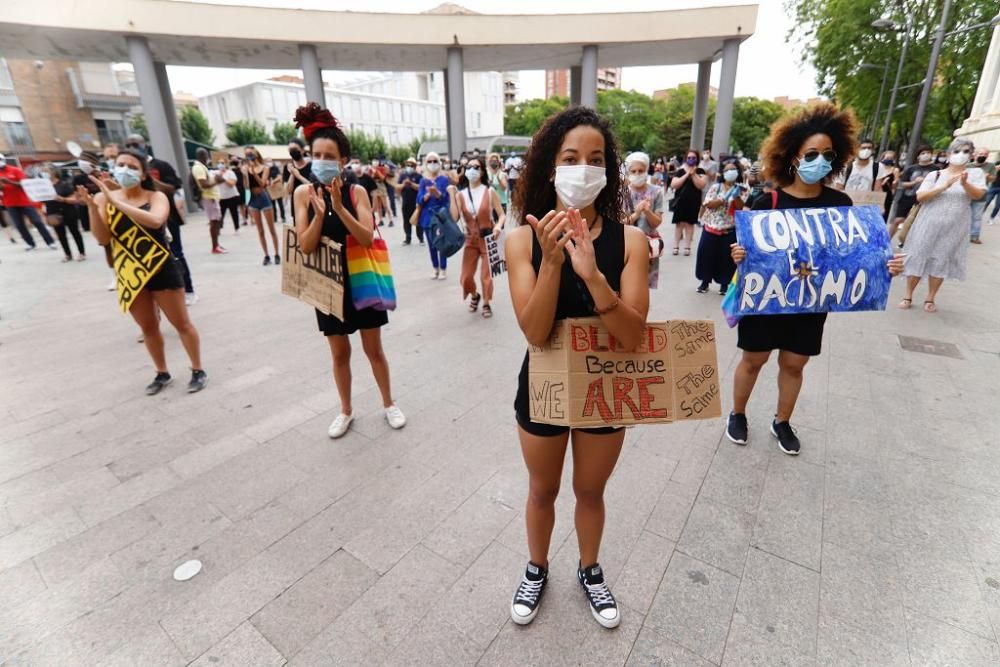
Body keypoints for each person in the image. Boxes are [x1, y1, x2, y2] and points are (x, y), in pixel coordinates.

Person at [505, 106, 649, 630]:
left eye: (595, 159)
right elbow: (534, 330)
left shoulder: (630, 241)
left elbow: (633, 335)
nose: (582, 169)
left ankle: (590, 570)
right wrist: (554, 264)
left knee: (590, 491)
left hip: (606, 387)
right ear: (550, 167)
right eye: (570, 158)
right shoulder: (523, 239)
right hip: (542, 385)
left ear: (608, 172)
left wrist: (592, 275)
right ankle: (535, 566)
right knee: (542, 490)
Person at [725, 103, 904, 455]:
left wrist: (884, 267)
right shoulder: (768, 201)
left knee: (794, 364)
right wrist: (738, 256)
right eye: (811, 153)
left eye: (827, 154)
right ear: (792, 156)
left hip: (810, 304)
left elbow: (855, 255)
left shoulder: (840, 203)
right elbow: (748, 252)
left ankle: (782, 421)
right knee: (753, 360)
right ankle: (738, 414)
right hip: (767, 301)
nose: (818, 160)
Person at [291, 103, 406, 439]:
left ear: (343, 160)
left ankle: (389, 403)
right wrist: (318, 214)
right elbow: (305, 245)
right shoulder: (303, 193)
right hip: (327, 284)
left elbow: (367, 237)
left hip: (362, 280)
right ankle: (345, 410)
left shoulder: (356, 192)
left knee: (374, 349)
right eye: (317, 154)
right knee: (339, 352)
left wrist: (339, 208)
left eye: (330, 156)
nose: (323, 161)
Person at [77, 148, 207, 395]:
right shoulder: (103, 199)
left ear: (144, 172)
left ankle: (198, 369)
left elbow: (156, 221)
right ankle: (161, 372)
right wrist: (93, 207)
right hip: (130, 272)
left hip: (161, 267)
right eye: (120, 164)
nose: (125, 169)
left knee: (182, 323)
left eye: (132, 166)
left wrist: (117, 201)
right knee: (148, 327)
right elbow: (103, 238)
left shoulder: (156, 196)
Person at [900, 138, 986, 312]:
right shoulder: (935, 175)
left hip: (955, 225)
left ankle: (930, 298)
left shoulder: (975, 174)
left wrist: (965, 183)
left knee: (941, 258)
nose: (961, 155)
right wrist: (944, 186)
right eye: (957, 151)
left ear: (971, 155)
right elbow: (921, 196)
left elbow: (979, 196)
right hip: (928, 222)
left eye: (966, 151)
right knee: (918, 255)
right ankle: (908, 295)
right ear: (948, 154)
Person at [124, 134, 197, 306]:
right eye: (129, 145)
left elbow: (173, 187)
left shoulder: (161, 165)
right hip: (140, 220)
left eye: (135, 144)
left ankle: (188, 289)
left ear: (144, 145)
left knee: (176, 254)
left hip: (166, 217)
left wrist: (151, 180)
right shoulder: (126, 170)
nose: (133, 148)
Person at [449, 156, 505, 318]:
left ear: (481, 172)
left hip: (488, 238)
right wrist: (452, 196)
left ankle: (486, 302)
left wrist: (497, 226)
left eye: (476, 167)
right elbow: (454, 218)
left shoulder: (489, 192)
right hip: (470, 240)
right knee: (465, 277)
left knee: (485, 276)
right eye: (469, 167)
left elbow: (501, 215)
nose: (472, 170)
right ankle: (474, 295)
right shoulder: (461, 195)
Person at [696, 158, 746, 294]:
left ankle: (724, 284)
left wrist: (736, 197)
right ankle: (704, 282)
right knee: (706, 255)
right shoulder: (715, 188)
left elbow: (742, 208)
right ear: (722, 173)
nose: (730, 172)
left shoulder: (741, 190)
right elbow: (708, 204)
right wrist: (723, 198)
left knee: (726, 259)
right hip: (711, 228)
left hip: (729, 229)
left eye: (733, 170)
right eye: (727, 170)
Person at [0, 153, 58, 250]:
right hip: (10, 203)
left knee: (37, 221)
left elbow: (25, 184)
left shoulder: (15, 170)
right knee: (19, 225)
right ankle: (30, 244)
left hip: (24, 202)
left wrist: (9, 182)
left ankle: (50, 242)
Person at [623, 151, 664, 288]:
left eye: (641, 170)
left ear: (646, 170)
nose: (637, 174)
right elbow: (621, 222)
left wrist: (647, 211)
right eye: (633, 171)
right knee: (627, 283)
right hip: (627, 243)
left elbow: (657, 222)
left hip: (649, 245)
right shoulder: (624, 192)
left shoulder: (656, 191)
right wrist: (637, 213)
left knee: (644, 285)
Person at [414, 152, 452, 279]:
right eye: (429, 161)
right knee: (431, 245)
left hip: (439, 217)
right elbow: (418, 199)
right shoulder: (423, 181)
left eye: (435, 161)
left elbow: (447, 200)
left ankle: (443, 268)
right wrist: (426, 196)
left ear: (439, 163)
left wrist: (438, 194)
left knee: (441, 243)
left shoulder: (444, 179)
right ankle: (435, 268)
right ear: (425, 164)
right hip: (426, 218)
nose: (432, 164)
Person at [242, 146, 280, 266]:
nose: (249, 156)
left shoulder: (265, 168)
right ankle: (266, 255)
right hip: (253, 200)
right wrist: (246, 175)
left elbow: (263, 184)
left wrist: (254, 173)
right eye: (247, 154)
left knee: (271, 229)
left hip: (264, 198)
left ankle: (276, 254)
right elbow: (246, 187)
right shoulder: (245, 168)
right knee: (260, 231)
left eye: (250, 154)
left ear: (256, 154)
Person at [891, 145, 937, 242]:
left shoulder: (935, 169)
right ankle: (885, 242)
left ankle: (907, 243)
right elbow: (903, 183)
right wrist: (914, 182)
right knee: (897, 220)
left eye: (928, 153)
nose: (926, 155)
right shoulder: (911, 169)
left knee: (916, 223)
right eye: (923, 153)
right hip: (907, 197)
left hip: (924, 199)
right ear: (918, 156)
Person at [669, 149, 707, 256]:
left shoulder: (700, 171)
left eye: (693, 158)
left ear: (697, 159)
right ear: (686, 158)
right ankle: (676, 246)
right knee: (679, 224)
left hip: (693, 201)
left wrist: (694, 174)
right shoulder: (680, 171)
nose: (691, 159)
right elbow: (674, 185)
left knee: (690, 224)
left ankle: (687, 247)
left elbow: (701, 185)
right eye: (689, 157)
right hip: (681, 201)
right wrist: (686, 175)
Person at [46, 168, 86, 261]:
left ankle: (81, 252)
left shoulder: (64, 184)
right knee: (61, 235)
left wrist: (63, 199)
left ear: (54, 173)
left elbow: (75, 199)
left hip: (68, 212)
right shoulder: (45, 186)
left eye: (46, 171)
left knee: (75, 232)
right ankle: (67, 254)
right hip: (53, 213)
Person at [192, 148, 227, 254]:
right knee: (214, 222)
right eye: (207, 155)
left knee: (216, 221)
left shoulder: (202, 167)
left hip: (212, 197)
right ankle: (214, 247)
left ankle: (217, 244)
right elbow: (204, 184)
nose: (208, 158)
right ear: (203, 156)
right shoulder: (198, 168)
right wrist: (216, 181)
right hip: (209, 197)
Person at [283, 137, 313, 225]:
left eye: (295, 149)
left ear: (303, 150)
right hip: (296, 206)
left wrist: (298, 176)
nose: (292, 152)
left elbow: (313, 186)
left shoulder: (311, 166)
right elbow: (289, 191)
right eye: (290, 150)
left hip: (311, 204)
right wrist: (292, 173)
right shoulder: (288, 167)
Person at [969, 147, 994, 244]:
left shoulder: (990, 166)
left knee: (976, 217)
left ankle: (974, 236)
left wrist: (988, 176)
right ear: (975, 154)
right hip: (966, 195)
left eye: (985, 154)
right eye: (981, 153)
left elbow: (993, 179)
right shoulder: (968, 165)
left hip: (981, 196)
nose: (983, 156)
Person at [396, 157, 422, 245]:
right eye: (408, 165)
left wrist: (411, 184)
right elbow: (397, 187)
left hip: (416, 202)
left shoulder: (418, 176)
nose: (409, 166)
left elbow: (420, 187)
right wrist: (404, 184)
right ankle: (408, 238)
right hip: (406, 202)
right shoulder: (402, 175)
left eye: (411, 165)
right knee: (406, 220)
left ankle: (421, 238)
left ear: (414, 166)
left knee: (418, 220)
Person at [217, 159, 241, 232]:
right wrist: (219, 176)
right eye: (219, 163)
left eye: (222, 163)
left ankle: (236, 228)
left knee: (234, 212)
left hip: (232, 196)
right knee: (220, 214)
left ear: (226, 164)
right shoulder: (215, 173)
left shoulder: (230, 173)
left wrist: (223, 178)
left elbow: (232, 184)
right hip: (221, 197)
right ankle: (219, 228)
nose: (221, 164)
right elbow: (214, 182)